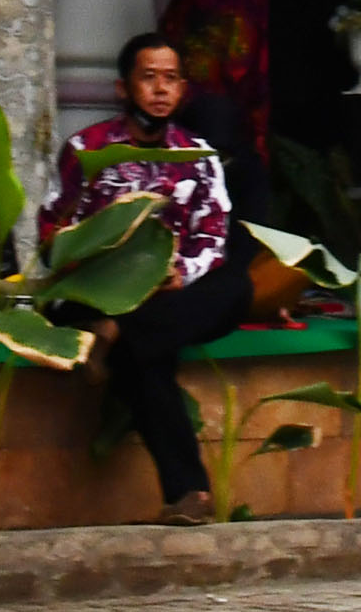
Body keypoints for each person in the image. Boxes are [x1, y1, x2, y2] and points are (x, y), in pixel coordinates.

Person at [45, 34, 248, 524]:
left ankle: (114, 336)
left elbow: (213, 236)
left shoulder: (198, 155)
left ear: (183, 91)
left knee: (236, 288)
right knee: (147, 359)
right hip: (98, 295)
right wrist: (108, 275)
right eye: (149, 77)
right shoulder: (86, 149)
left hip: (167, 295)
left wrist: (181, 273)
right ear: (123, 88)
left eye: (171, 79)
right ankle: (189, 494)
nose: (160, 89)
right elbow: (54, 230)